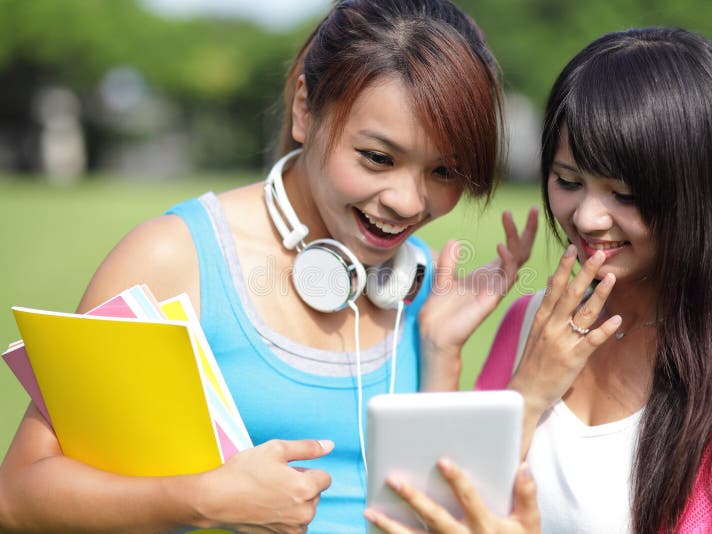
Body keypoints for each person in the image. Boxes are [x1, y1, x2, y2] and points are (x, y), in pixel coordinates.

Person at [0, 1, 538, 532]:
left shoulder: (415, 282)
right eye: (378, 157)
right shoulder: (173, 259)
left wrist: (441, 353)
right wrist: (205, 499)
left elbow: (421, 509)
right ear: (305, 109)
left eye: (444, 171)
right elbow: (17, 498)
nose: (407, 201)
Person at [365, 27, 712, 534]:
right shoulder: (530, 322)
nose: (588, 217)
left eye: (625, 194)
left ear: (702, 195)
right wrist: (445, 352)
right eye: (568, 181)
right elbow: (428, 516)